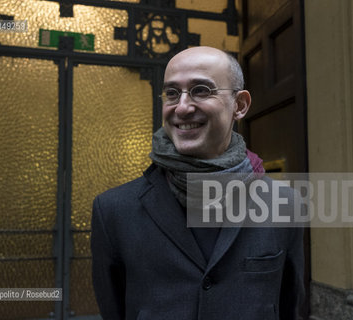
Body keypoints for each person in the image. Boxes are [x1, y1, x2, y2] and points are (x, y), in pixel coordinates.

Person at [91, 46, 304, 320]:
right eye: (171, 93)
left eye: (201, 90)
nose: (182, 107)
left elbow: (289, 306)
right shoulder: (113, 210)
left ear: (240, 105)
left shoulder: (285, 205)